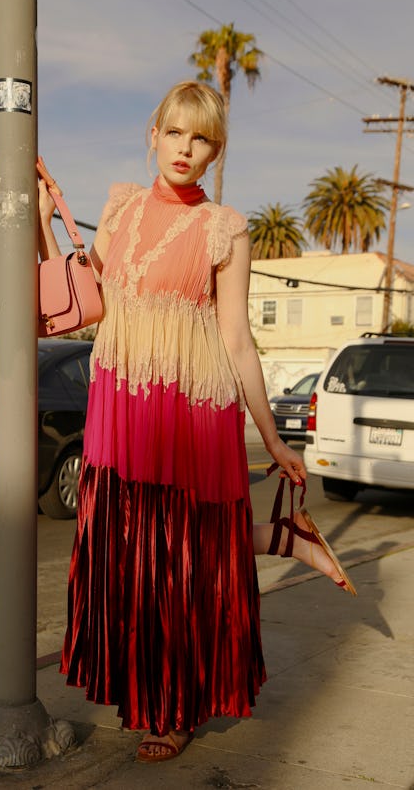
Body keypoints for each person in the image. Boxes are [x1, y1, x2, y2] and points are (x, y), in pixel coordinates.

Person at [37, 80, 355, 764]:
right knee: (126, 552)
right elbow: (91, 299)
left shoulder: (224, 227)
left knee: (180, 560)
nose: (186, 148)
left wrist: (273, 438)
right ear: (153, 134)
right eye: (176, 132)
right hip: (122, 400)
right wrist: (43, 215)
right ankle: (146, 681)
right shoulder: (119, 206)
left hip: (192, 408)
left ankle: (174, 706)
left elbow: (238, 338)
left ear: (216, 150)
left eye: (202, 137)